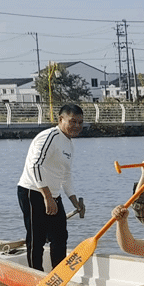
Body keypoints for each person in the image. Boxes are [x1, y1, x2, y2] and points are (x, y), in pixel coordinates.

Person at [15, 104, 85, 270]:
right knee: (37, 238)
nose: (77, 126)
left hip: (53, 195)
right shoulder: (49, 136)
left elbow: (66, 175)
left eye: (80, 122)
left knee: (60, 236)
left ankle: (58, 274)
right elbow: (35, 166)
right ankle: (35, 274)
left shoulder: (69, 144)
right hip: (32, 191)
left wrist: (75, 201)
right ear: (61, 119)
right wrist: (47, 196)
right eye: (73, 121)